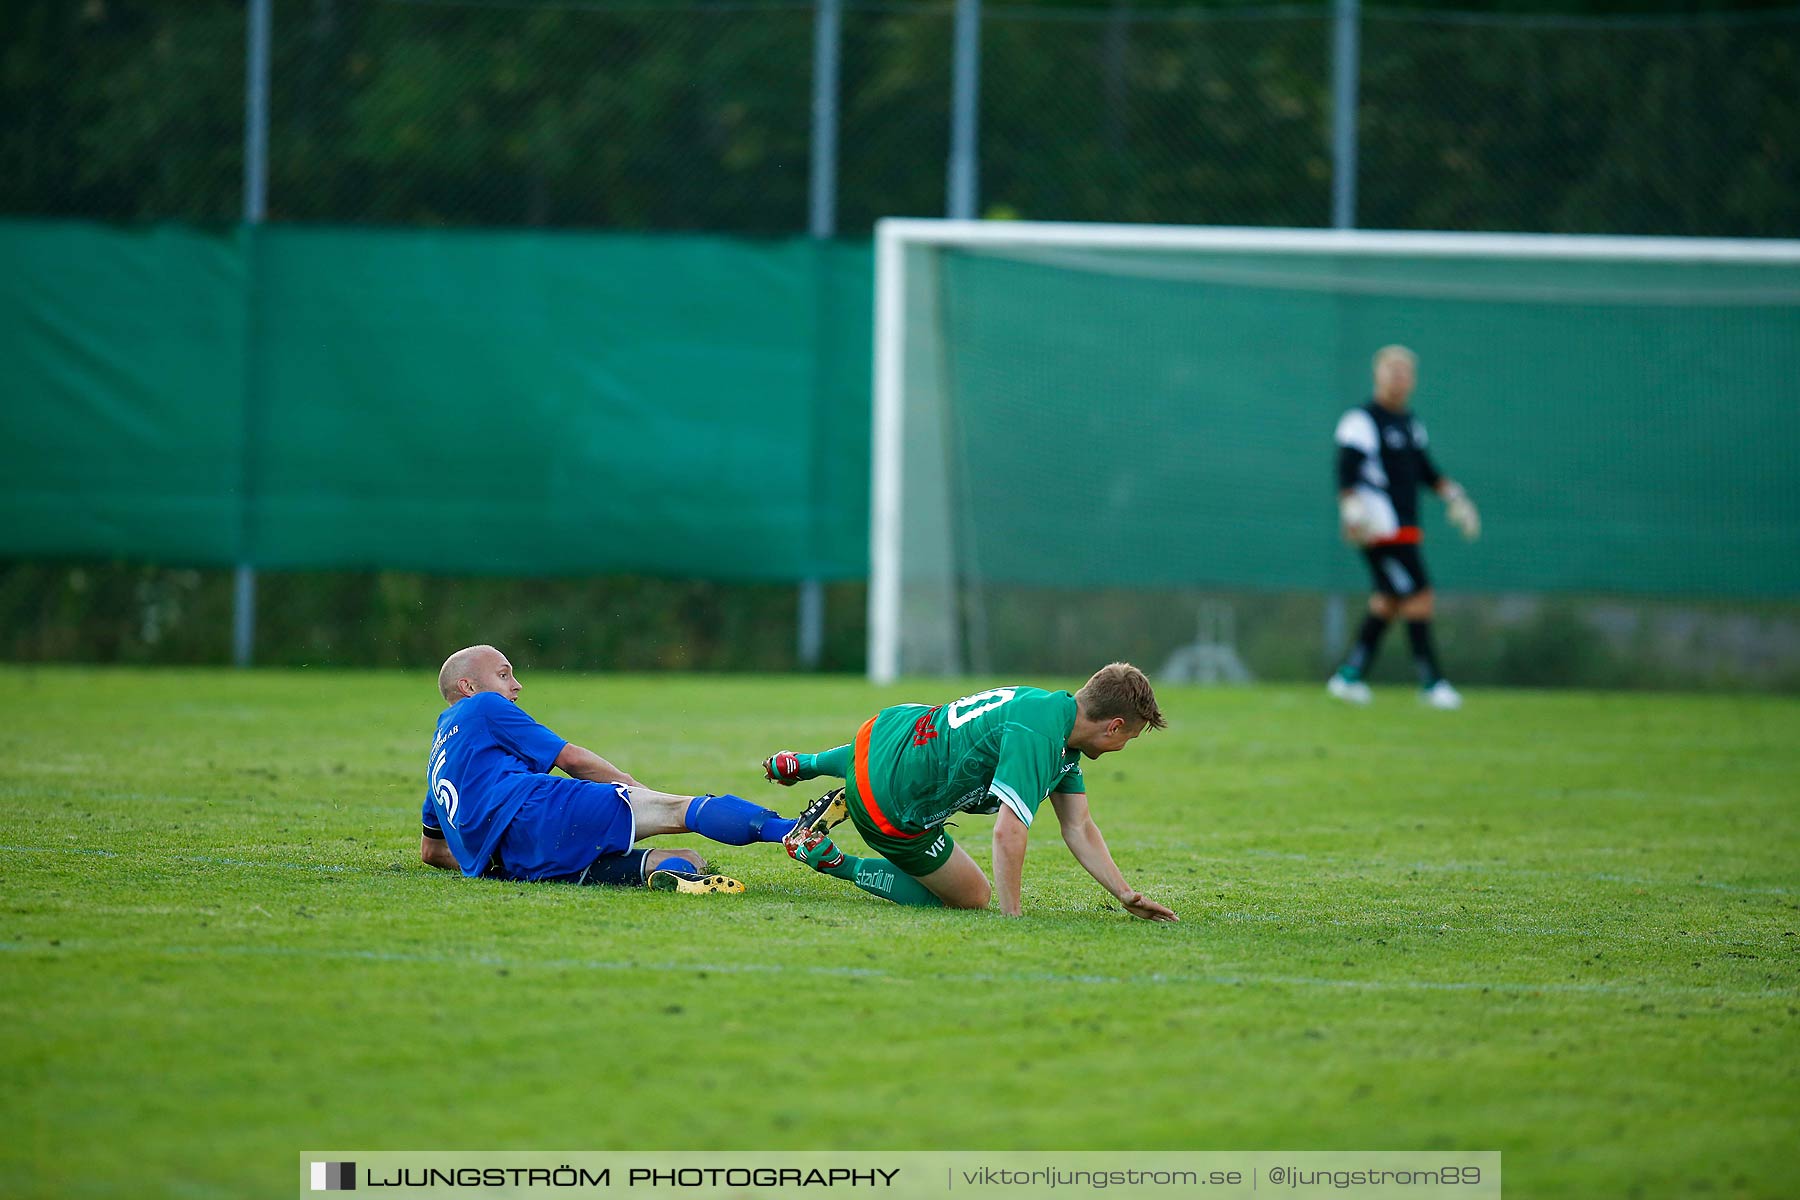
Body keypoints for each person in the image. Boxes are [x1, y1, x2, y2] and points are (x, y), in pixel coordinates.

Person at [761, 663, 1177, 921]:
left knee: (923, 735)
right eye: (1130, 737)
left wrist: (1125, 894)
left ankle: (805, 764)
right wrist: (1011, 916)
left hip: (884, 733)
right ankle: (831, 859)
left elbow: (1079, 825)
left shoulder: (1054, 718)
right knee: (973, 897)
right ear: (1114, 725)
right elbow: (1007, 831)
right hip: (891, 804)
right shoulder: (1038, 737)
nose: (1123, 747)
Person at [421, 644, 800, 893]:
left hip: (514, 861)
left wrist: (486, 856)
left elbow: (432, 852)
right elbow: (571, 759)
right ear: (469, 686)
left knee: (685, 858)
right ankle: (794, 831)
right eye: (504, 675)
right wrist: (636, 790)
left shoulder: (437, 760)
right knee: (677, 809)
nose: (516, 686)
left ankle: (671, 871)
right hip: (538, 809)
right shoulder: (483, 707)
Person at [1327, 345, 1480, 710]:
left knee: (1389, 600)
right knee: (1419, 595)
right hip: (1379, 530)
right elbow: (1346, 471)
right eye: (1391, 370)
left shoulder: (1411, 424)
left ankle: (1348, 676)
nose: (1398, 377)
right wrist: (1351, 509)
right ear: (1377, 374)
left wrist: (1454, 495)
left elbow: (1425, 470)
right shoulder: (1361, 420)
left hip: (1407, 527)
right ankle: (1433, 683)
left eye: (1405, 372)